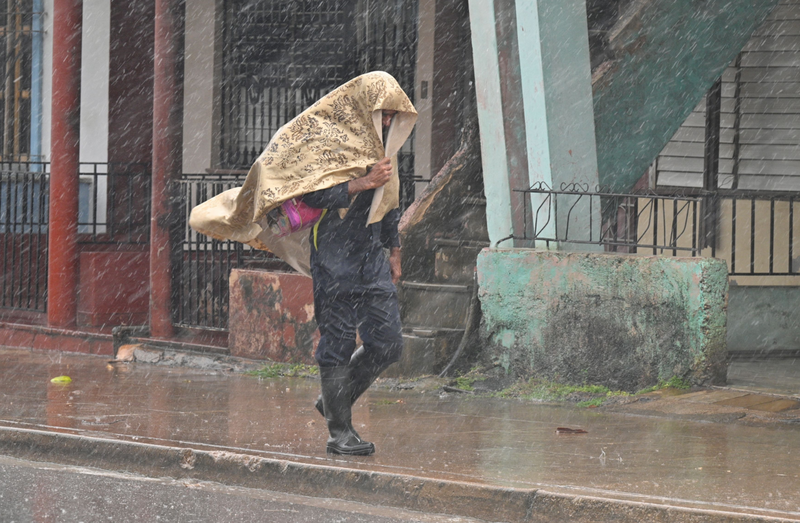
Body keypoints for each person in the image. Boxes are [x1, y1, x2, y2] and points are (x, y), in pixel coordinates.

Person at [302, 109, 403, 456]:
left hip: (371, 256)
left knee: (389, 344)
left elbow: (389, 202)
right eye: (384, 115)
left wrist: (394, 250)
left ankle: (334, 401)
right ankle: (339, 432)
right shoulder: (332, 144)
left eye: (394, 116)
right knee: (338, 342)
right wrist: (362, 182)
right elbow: (309, 194)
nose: (389, 123)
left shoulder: (385, 147)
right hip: (333, 254)